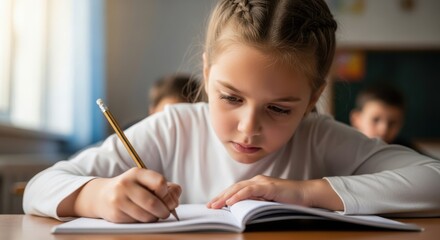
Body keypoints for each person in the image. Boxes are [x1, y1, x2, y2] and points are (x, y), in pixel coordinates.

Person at [23, 0, 440, 223]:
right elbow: (40, 187)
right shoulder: (174, 128)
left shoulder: (320, 137)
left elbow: (433, 180)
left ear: (313, 98)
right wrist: (96, 196)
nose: (248, 128)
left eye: (278, 108)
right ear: (206, 73)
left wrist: (302, 193)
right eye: (231, 98)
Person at [350, 84, 419, 150]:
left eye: (392, 122)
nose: (384, 129)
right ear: (356, 119)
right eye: (375, 120)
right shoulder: (344, 150)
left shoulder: (409, 152)